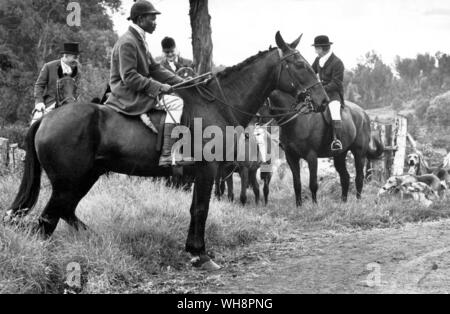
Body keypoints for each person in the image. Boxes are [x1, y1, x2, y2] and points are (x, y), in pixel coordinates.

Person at [106, 0, 191, 167]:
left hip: (135, 89)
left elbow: (155, 69)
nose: (155, 23)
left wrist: (184, 83)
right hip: (127, 93)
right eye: (152, 19)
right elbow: (129, 77)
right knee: (176, 102)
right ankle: (168, 154)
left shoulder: (139, 39)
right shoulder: (128, 42)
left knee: (176, 96)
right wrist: (159, 87)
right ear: (140, 19)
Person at [32, 42, 81, 125]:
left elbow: (77, 90)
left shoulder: (77, 70)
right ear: (66, 56)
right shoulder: (49, 66)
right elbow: (39, 85)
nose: (76, 60)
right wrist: (39, 102)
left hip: (71, 105)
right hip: (50, 104)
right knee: (35, 121)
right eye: (75, 57)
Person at [311, 35, 345, 152]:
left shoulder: (337, 63)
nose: (315, 50)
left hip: (333, 95)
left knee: (334, 112)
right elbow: (311, 73)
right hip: (319, 94)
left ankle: (336, 140)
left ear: (321, 48)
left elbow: (336, 83)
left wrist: (320, 89)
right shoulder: (317, 60)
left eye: (316, 48)